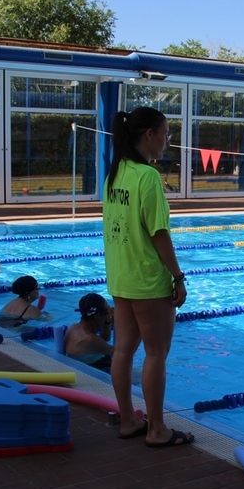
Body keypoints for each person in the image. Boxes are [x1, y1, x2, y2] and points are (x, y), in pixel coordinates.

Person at [103, 106, 193, 448]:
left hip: (121, 276)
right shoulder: (147, 177)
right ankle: (157, 430)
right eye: (166, 134)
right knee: (156, 354)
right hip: (147, 278)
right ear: (149, 135)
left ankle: (128, 420)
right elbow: (159, 233)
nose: (167, 142)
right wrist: (178, 276)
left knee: (123, 351)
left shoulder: (115, 173)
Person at [64, 293, 114, 371]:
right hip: (96, 371)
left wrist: (107, 322)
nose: (109, 312)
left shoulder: (73, 328)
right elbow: (123, 353)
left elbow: (105, 339)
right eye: (107, 310)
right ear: (97, 316)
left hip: (86, 367)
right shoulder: (89, 339)